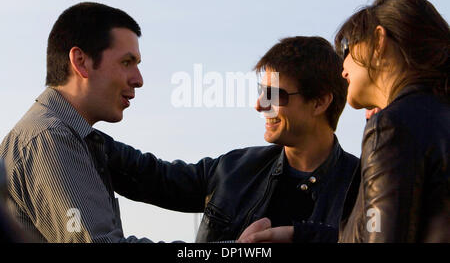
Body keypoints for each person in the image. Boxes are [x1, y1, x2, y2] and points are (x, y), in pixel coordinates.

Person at [104, 36, 359, 242]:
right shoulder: (236, 168)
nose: (260, 105)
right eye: (262, 92)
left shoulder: (366, 186)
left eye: (273, 95)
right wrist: (80, 133)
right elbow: (153, 176)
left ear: (320, 102)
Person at [0, 2, 152, 242]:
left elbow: (167, 177)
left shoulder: (72, 135)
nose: (139, 79)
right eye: (126, 62)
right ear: (81, 61)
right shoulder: (50, 138)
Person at [335, 0, 450, 242]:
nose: (342, 68)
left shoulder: (392, 127)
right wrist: (299, 234)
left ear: (378, 40)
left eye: (346, 48)